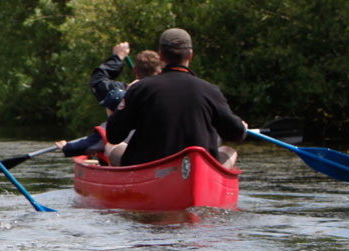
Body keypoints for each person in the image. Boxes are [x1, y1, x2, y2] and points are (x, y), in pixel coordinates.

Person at [104, 28, 247, 168]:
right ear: (190, 55)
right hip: (197, 169)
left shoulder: (139, 89)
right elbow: (236, 134)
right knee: (229, 151)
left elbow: (113, 136)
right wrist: (241, 126)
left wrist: (118, 110)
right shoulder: (210, 91)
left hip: (149, 168)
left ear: (161, 56)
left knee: (110, 147)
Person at [90, 40, 163, 111]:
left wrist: (118, 57)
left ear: (134, 70)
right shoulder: (169, 94)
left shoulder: (127, 93)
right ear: (160, 72)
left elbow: (97, 81)